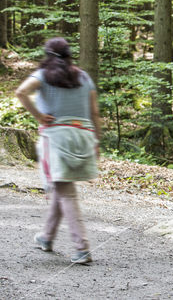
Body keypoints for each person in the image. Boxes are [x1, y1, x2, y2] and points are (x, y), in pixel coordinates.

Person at [15, 37, 100, 265]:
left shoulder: (43, 75)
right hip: (83, 135)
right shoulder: (84, 76)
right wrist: (97, 140)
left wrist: (39, 116)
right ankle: (46, 237)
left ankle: (82, 248)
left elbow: (21, 92)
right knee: (61, 186)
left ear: (48, 54)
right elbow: (94, 113)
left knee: (66, 191)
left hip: (57, 138)